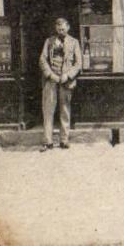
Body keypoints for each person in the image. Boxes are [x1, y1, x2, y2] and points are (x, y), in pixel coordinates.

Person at [39, 16, 82, 150]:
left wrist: (68, 76)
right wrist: (51, 75)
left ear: (68, 27)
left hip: (66, 82)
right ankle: (48, 141)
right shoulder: (49, 41)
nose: (61, 31)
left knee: (65, 110)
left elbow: (78, 63)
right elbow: (42, 60)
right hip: (51, 81)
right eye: (58, 29)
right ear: (55, 28)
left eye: (63, 28)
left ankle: (64, 140)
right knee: (48, 111)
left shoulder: (74, 42)